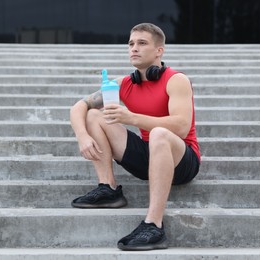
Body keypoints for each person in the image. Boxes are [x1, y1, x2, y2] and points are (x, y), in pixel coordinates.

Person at [70, 22, 200, 251]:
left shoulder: (176, 79)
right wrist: (82, 136)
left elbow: (180, 127)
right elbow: (78, 106)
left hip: (182, 159)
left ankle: (154, 225)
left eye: (142, 43)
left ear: (159, 50)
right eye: (131, 44)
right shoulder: (123, 84)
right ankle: (108, 189)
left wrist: (131, 118)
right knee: (93, 115)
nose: (134, 48)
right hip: (149, 157)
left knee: (160, 133)